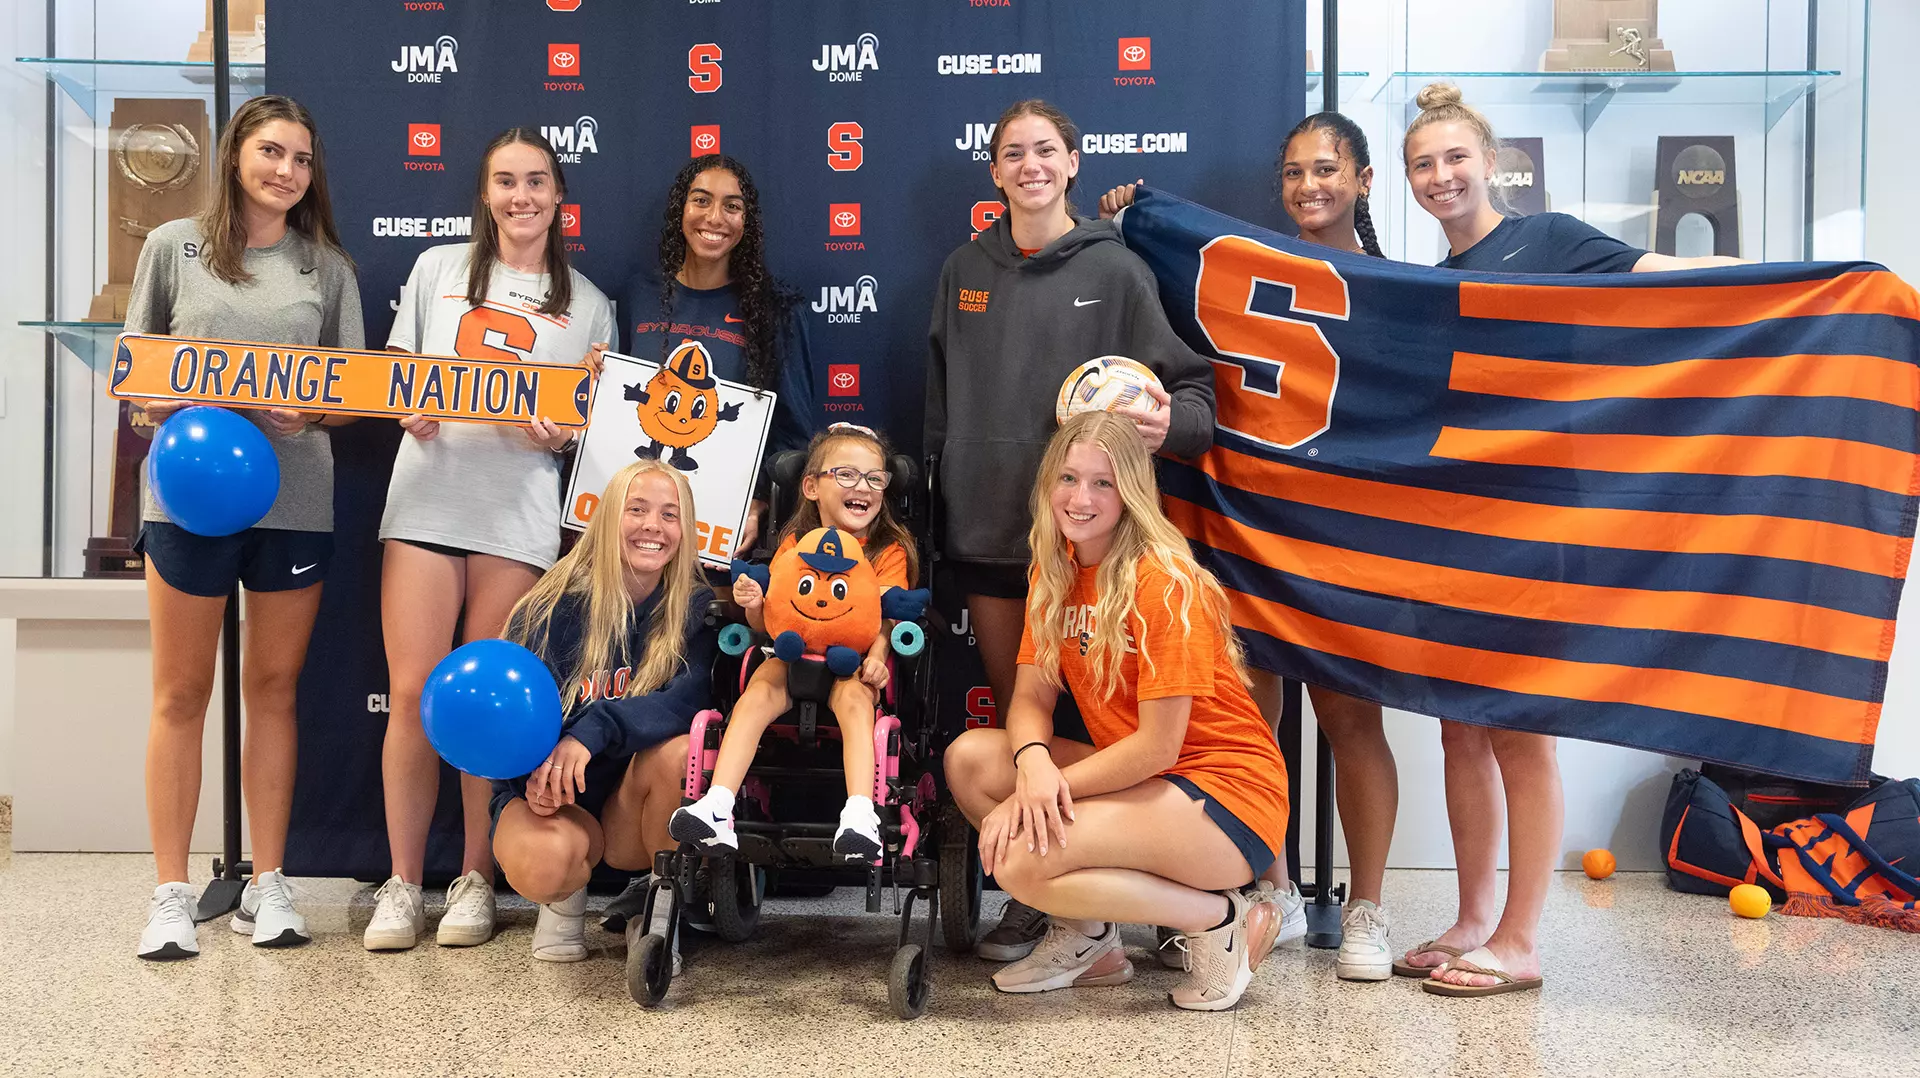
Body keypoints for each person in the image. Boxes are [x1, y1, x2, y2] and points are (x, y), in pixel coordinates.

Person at [1398, 82, 1743, 997]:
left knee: (1522, 731)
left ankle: (1519, 940)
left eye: (1454, 158)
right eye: (1423, 165)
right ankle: (1473, 920)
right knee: (1459, 730)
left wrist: (1784, 279)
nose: (1441, 177)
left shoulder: (1550, 239)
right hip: (1458, 527)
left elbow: (1666, 278)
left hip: (1542, 521)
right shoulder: (1426, 284)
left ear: (1489, 161)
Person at [1096, 112, 1398, 981]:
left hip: (1342, 536)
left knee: (1349, 720)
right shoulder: (1245, 268)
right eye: (1296, 172)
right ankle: (1271, 887)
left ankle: (1367, 906)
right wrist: (1135, 216)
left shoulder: (1394, 286)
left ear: (1364, 180)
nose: (1311, 186)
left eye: (1329, 169)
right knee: (1247, 720)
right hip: (1252, 528)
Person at [926, 98, 1220, 960]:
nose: (1030, 165)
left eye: (1045, 150)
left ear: (1073, 162)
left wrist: (1176, 429)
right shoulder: (961, 271)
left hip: (1097, 547)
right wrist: (935, 535)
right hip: (989, 544)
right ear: (993, 170)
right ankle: (1057, 903)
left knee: (1114, 735)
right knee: (1033, 730)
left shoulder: (1118, 271)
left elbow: (1191, 397)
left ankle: (1161, 900)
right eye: (1012, 152)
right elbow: (939, 420)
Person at [943, 411, 1290, 1010]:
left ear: (1132, 493)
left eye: (1103, 482)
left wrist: (1043, 794)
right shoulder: (1056, 570)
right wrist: (1032, 765)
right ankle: (1090, 941)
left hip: (1225, 797)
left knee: (1022, 862)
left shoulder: (1163, 581)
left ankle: (1218, 919)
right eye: (1069, 478)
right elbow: (1029, 697)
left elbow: (1159, 745)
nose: (1081, 498)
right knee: (971, 760)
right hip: (1151, 782)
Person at [367, 128, 616, 952]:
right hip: (429, 500)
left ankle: (475, 875)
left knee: (482, 702)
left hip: (516, 516)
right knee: (412, 696)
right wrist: (409, 404)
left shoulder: (588, 301)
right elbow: (396, 371)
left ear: (558, 195)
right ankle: (404, 885)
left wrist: (562, 438)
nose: (521, 197)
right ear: (485, 193)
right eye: (506, 181)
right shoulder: (438, 268)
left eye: (537, 182)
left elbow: (593, 429)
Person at [130, 95, 363, 960]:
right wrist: (178, 402)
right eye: (272, 152)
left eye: (301, 159)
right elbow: (137, 379)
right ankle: (169, 892)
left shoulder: (325, 267)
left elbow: (350, 398)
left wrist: (311, 413)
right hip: (187, 503)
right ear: (236, 155)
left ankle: (269, 883)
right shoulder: (172, 249)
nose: (286, 172)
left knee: (272, 691)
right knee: (180, 693)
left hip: (295, 504)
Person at [490, 459, 715, 972]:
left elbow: (689, 701)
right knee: (546, 864)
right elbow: (505, 715)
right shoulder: (550, 604)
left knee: (685, 752)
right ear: (608, 517)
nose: (652, 527)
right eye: (636, 510)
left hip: (631, 809)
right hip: (556, 802)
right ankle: (562, 901)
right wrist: (532, 776)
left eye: (669, 515)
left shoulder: (696, 609)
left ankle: (656, 907)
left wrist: (594, 731)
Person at [671, 423, 918, 860]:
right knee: (758, 689)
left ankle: (861, 812)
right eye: (845, 474)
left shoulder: (886, 552)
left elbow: (887, 615)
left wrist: (879, 656)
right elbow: (769, 622)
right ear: (811, 487)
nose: (862, 486)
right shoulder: (793, 547)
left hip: (854, 661)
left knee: (857, 699)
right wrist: (752, 603)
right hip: (791, 654)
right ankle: (718, 804)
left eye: (874, 478)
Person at [591, 154, 817, 559]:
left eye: (732, 206)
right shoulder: (639, 296)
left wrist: (759, 503)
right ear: (681, 210)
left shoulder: (775, 309)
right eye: (701, 200)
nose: (715, 217)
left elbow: (794, 433)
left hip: (720, 524)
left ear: (747, 222)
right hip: (634, 526)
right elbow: (612, 409)